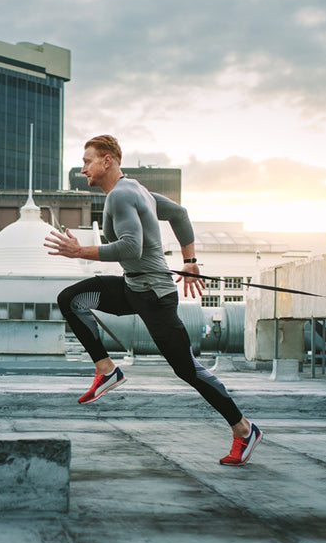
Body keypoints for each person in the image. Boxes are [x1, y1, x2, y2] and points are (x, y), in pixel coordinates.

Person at [44, 135, 262, 466]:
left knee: (187, 369)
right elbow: (178, 212)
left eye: (87, 160)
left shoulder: (121, 195)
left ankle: (244, 430)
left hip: (155, 296)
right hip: (135, 288)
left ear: (108, 161)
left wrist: (80, 251)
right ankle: (106, 370)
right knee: (72, 299)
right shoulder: (136, 190)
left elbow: (131, 247)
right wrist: (189, 261)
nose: (82, 168)